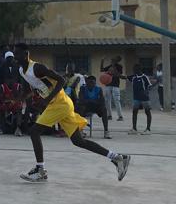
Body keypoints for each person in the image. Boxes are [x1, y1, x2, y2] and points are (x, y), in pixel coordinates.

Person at [15, 43, 131, 183]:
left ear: (26, 53)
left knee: (34, 131)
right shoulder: (22, 70)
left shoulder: (37, 67)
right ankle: (118, 158)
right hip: (60, 105)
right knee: (78, 141)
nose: (15, 56)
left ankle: (40, 170)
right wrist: (19, 99)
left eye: (17, 53)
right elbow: (31, 88)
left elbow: (61, 80)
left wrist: (47, 100)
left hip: (60, 103)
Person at [76, 75, 111, 139]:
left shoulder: (99, 89)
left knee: (104, 109)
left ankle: (106, 131)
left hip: (95, 106)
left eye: (93, 83)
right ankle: (80, 130)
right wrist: (94, 101)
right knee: (80, 108)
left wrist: (91, 101)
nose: (91, 84)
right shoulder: (83, 88)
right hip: (86, 106)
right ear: (86, 83)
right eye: (89, 83)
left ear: (95, 83)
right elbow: (81, 100)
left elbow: (102, 101)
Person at [128, 66, 153, 135]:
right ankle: (134, 129)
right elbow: (123, 77)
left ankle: (148, 129)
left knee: (147, 112)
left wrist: (146, 91)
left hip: (145, 98)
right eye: (133, 70)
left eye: (135, 70)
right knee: (134, 112)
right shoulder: (134, 77)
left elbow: (150, 86)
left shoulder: (144, 77)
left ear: (139, 70)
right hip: (136, 98)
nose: (133, 71)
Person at [99, 56, 125, 121]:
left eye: (114, 60)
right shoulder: (109, 66)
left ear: (117, 60)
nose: (112, 61)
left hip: (115, 86)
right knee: (107, 101)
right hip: (108, 85)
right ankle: (109, 115)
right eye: (112, 60)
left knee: (117, 101)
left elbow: (119, 75)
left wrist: (114, 67)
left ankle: (120, 116)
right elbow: (101, 70)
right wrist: (102, 61)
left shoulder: (119, 66)